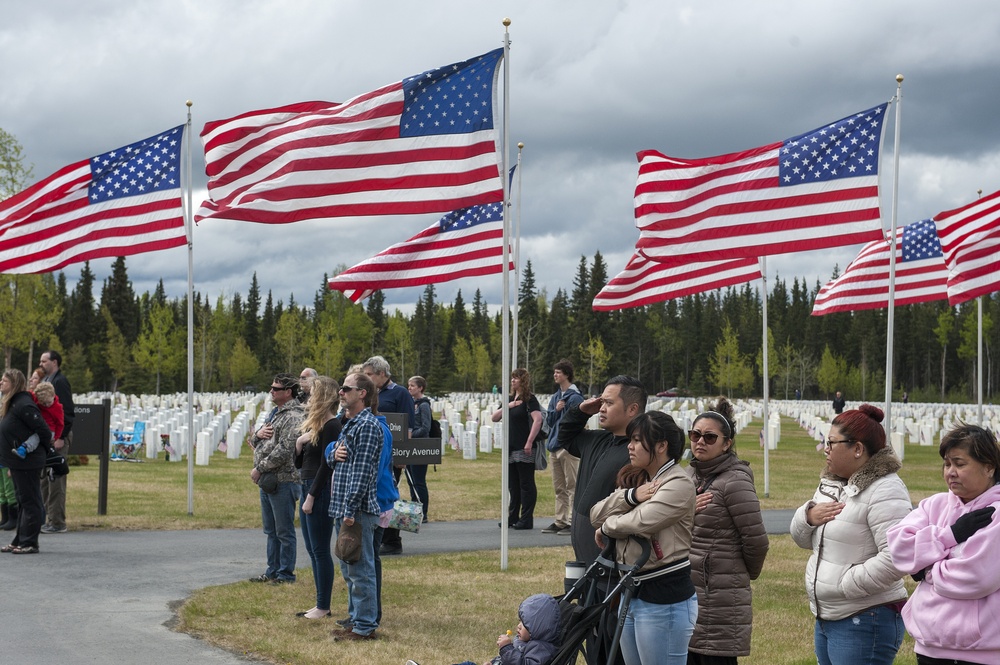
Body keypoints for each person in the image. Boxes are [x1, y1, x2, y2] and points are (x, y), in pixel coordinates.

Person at [789, 404, 910, 665]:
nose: (826, 450)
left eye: (832, 443)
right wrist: (807, 517)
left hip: (865, 616)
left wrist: (846, 584)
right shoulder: (832, 483)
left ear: (857, 448)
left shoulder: (885, 489)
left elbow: (897, 555)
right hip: (828, 616)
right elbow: (802, 540)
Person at [887, 423, 1000, 665]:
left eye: (960, 464)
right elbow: (898, 548)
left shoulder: (996, 513)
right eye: (947, 464)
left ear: (989, 467)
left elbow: (975, 577)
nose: (950, 471)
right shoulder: (934, 505)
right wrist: (950, 535)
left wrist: (925, 566)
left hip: (981, 654)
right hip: (929, 649)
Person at [591, 411, 697, 665]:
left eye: (638, 440)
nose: (630, 446)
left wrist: (607, 528)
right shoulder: (641, 481)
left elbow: (641, 522)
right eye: (631, 439)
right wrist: (631, 496)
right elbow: (595, 514)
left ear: (661, 446)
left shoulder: (678, 483)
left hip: (665, 596)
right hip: (633, 591)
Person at [686, 398, 769, 665]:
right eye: (695, 435)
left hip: (720, 593)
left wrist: (742, 573)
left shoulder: (735, 480)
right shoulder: (688, 474)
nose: (700, 441)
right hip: (687, 588)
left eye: (710, 437)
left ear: (727, 443)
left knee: (714, 656)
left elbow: (756, 541)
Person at [557, 375, 647, 565]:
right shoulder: (597, 440)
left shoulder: (639, 455)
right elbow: (564, 436)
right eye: (601, 402)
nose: (601, 408)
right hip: (584, 551)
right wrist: (581, 411)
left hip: (611, 555)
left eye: (609, 403)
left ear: (632, 409)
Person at [328, 371, 383, 641]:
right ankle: (354, 619)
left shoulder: (367, 426)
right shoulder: (347, 423)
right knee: (349, 568)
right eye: (341, 388)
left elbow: (361, 474)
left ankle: (364, 627)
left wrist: (349, 510)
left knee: (361, 571)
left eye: (346, 388)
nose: (341, 392)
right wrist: (331, 453)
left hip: (356, 510)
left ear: (362, 393)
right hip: (344, 508)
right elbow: (333, 457)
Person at [247, 373, 304, 584]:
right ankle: (272, 570)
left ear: (288, 392)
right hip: (269, 479)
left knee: (284, 530)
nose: (271, 391)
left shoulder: (294, 416)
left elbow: (285, 450)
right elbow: (256, 438)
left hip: (283, 479)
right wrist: (258, 433)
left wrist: (260, 468)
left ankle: (285, 573)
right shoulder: (274, 413)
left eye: (275, 388)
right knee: (271, 530)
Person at [295, 376, 342, 619]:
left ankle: (323, 606)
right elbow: (300, 463)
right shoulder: (315, 425)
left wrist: (311, 496)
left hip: (319, 490)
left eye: (313, 393)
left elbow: (327, 466)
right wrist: (299, 443)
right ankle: (319, 603)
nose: (309, 397)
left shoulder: (332, 426)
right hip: (307, 485)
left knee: (320, 550)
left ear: (323, 396)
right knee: (312, 550)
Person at [406, 593, 561, 665]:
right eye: (520, 621)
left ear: (538, 629)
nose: (518, 626)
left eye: (524, 624)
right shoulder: (529, 642)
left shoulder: (542, 648)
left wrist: (506, 649)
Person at [363, 355, 414, 556]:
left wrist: (403, 456)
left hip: (391, 455)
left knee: (388, 496)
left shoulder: (399, 393)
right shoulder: (370, 393)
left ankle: (393, 540)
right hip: (372, 452)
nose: (365, 378)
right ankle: (378, 534)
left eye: (369, 374)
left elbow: (407, 426)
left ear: (382, 374)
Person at [0, 369, 53, 554]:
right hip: (17, 461)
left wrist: (42, 451)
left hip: (28, 461)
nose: (0, 384)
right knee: (23, 500)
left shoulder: (23, 404)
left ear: (14, 383)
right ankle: (19, 540)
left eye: (4, 381)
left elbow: (44, 431)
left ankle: (30, 542)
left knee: (30, 501)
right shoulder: (14, 403)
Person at [491, 368, 543, 530]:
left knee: (526, 484)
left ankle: (526, 519)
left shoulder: (530, 399)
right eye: (512, 378)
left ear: (523, 381)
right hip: (511, 447)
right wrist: (509, 405)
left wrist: (529, 441)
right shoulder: (509, 399)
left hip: (524, 446)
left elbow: (538, 419)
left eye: (516, 378)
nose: (513, 381)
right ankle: (512, 517)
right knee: (512, 484)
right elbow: (495, 417)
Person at [541, 359, 584, 536]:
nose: (555, 375)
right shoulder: (555, 397)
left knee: (572, 486)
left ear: (566, 374)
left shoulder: (575, 398)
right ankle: (560, 521)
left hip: (568, 448)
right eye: (554, 372)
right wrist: (556, 410)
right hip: (554, 446)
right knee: (559, 487)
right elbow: (550, 421)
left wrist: (563, 411)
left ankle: (574, 523)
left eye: (558, 372)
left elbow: (576, 420)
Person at [39, 350, 74, 534]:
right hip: (48, 438)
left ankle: (58, 522)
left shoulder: (60, 382)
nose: (41, 364)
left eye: (44, 361)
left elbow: (67, 411)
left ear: (54, 362)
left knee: (56, 479)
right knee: (45, 480)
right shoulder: (46, 381)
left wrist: (61, 437)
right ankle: (48, 518)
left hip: (59, 437)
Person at [405, 375, 431, 520]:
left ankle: (423, 512)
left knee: (419, 481)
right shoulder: (410, 403)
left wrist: (410, 434)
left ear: (420, 388)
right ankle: (414, 512)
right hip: (410, 447)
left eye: (413, 385)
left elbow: (425, 427)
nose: (409, 388)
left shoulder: (424, 405)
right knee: (410, 481)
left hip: (421, 447)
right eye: (408, 385)